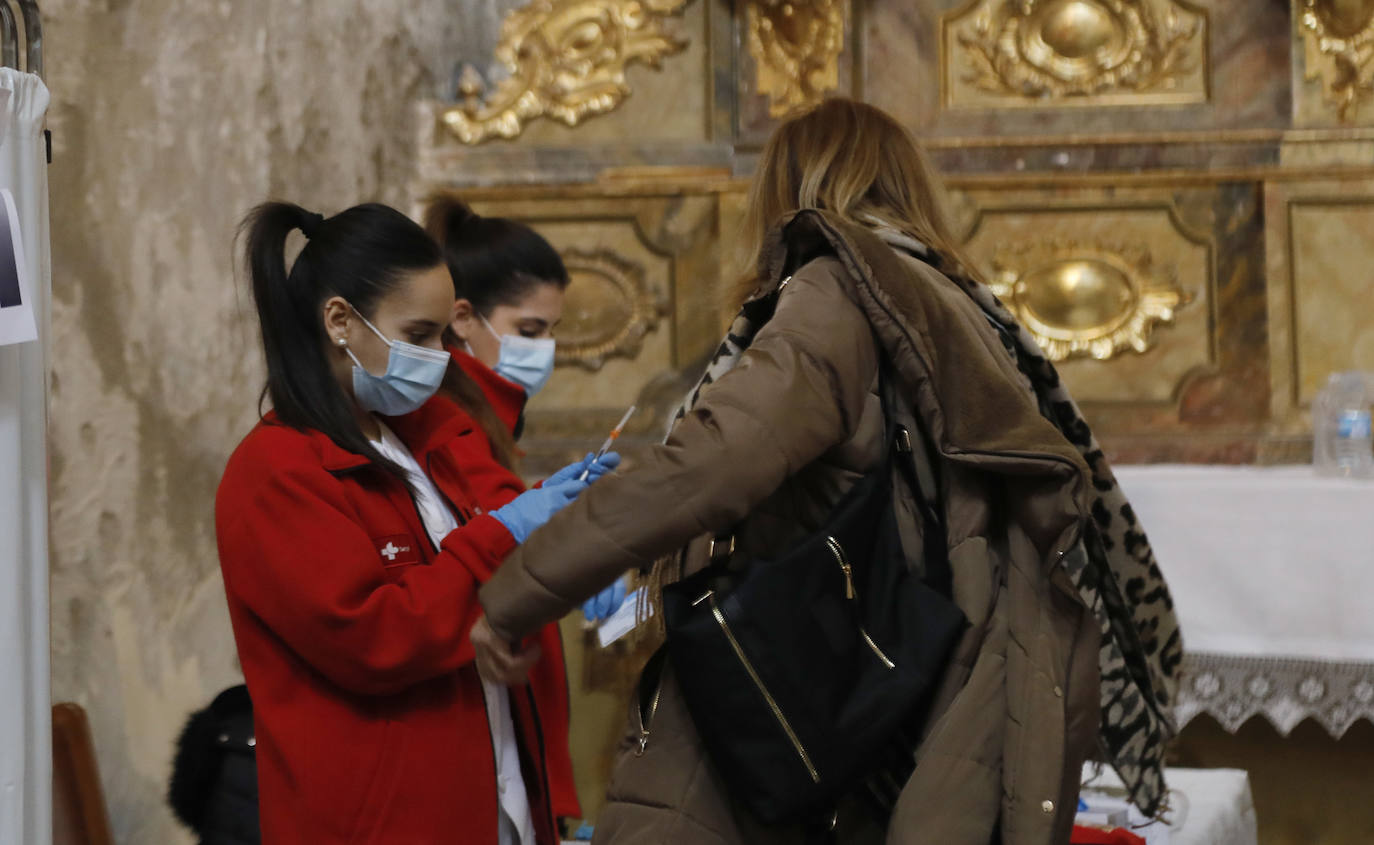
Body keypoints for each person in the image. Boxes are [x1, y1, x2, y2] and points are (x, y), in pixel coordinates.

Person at [469, 98, 1183, 844]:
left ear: (787, 189)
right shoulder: (954, 304)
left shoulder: (836, 292)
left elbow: (710, 464)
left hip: (813, 681)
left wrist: (521, 587)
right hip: (921, 685)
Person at [215, 201, 617, 845]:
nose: (442, 356)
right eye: (422, 334)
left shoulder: (421, 435)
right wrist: (505, 532)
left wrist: (553, 553)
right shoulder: (277, 472)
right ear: (341, 321)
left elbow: (468, 580)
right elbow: (377, 637)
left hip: (493, 798)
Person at [424, 195, 628, 623]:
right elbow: (490, 539)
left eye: (552, 331)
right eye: (529, 330)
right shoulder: (451, 418)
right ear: (462, 318)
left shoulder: (485, 411)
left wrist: (545, 501)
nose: (545, 350)